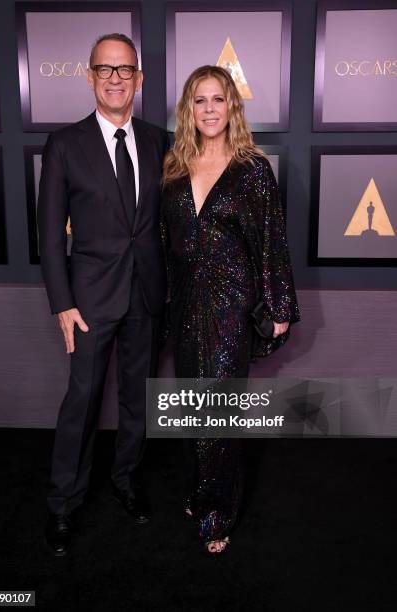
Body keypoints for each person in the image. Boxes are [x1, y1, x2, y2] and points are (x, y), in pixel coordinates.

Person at [37, 33, 169, 556]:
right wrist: (61, 302)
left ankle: (127, 481)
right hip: (88, 300)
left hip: (147, 294)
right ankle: (63, 504)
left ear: (139, 79)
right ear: (89, 76)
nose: (115, 78)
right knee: (82, 401)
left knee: (137, 399)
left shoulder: (160, 139)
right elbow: (49, 234)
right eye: (105, 69)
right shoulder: (65, 143)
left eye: (125, 69)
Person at [160, 65, 300, 554]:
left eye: (218, 99)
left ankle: (217, 514)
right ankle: (200, 492)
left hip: (231, 303)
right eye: (200, 101)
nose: (209, 110)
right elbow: (164, 242)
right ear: (189, 109)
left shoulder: (251, 169)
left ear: (232, 106)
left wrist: (279, 306)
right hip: (184, 304)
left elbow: (270, 242)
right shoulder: (175, 166)